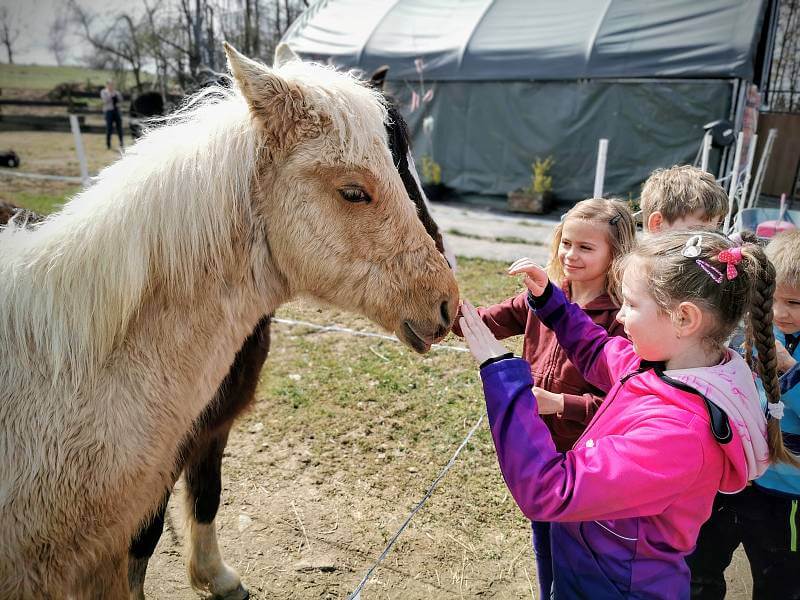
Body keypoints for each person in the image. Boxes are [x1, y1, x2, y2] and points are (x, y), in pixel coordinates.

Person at [459, 230, 791, 599]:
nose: (619, 315)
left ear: (684, 319)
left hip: (616, 588)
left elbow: (550, 489)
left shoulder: (679, 435)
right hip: (594, 571)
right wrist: (551, 302)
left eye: (631, 304)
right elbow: (599, 349)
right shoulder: (660, 367)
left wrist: (501, 371)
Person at [451, 198, 636, 598]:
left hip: (586, 464)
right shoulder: (543, 296)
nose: (571, 254)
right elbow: (481, 322)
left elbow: (625, 406)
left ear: (615, 253)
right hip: (538, 451)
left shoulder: (625, 319)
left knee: (576, 554)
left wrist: (558, 403)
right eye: (566, 243)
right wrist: (437, 299)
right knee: (543, 540)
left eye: (586, 248)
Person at [686, 229, 800, 600]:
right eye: (774, 300)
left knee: (778, 578)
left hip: (782, 491)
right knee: (701, 567)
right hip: (733, 476)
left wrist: (790, 374)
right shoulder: (746, 331)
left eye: (795, 304)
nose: (781, 313)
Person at [640, 165, 728, 233]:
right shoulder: (634, 256)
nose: (709, 244)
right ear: (657, 224)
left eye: (713, 235)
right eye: (698, 233)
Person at [101, 80, 124, 150]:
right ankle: (108, 144)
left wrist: (117, 98)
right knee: (109, 128)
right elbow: (105, 101)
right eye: (110, 85)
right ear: (107, 85)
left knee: (119, 127)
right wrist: (111, 96)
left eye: (112, 85)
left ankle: (121, 143)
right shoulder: (104, 92)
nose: (111, 86)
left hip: (116, 111)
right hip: (108, 111)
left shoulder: (116, 92)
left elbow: (121, 99)